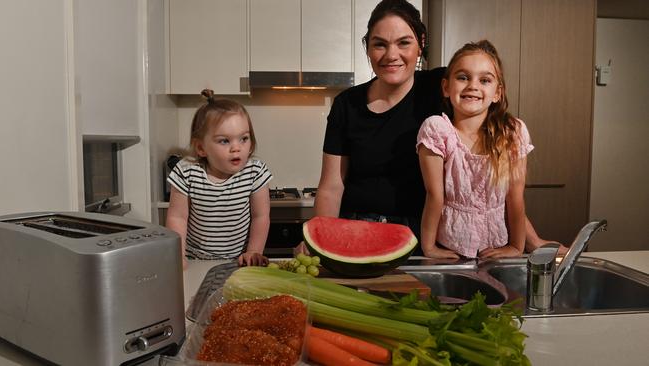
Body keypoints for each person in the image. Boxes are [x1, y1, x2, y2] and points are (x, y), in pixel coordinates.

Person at [302, 0, 563, 256]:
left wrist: (531, 240)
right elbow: (332, 186)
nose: (391, 55)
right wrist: (319, 238)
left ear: (421, 44)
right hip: (355, 229)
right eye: (379, 44)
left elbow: (489, 171)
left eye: (404, 42)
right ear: (368, 48)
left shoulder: (442, 87)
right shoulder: (346, 105)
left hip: (420, 235)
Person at [417, 40, 529, 259]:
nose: (473, 86)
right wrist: (429, 248)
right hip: (452, 249)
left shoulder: (512, 132)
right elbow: (434, 195)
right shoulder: (437, 130)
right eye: (463, 77)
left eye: (485, 80)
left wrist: (517, 246)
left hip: (496, 249)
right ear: (446, 88)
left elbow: (515, 198)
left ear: (497, 93)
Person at [166, 90, 272, 268]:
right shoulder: (187, 171)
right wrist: (177, 256)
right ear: (201, 148)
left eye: (244, 138)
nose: (236, 148)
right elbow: (177, 218)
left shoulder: (255, 171)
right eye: (224, 141)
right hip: (193, 260)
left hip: (238, 261)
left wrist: (254, 251)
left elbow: (260, 216)